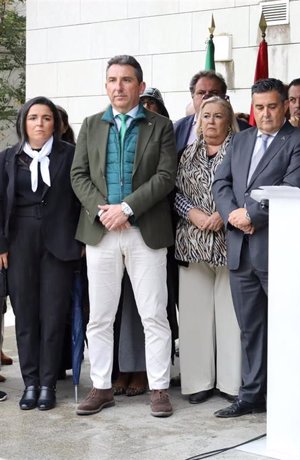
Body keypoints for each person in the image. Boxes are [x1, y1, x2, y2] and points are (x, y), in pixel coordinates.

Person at [71, 55, 177, 418]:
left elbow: (165, 177)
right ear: (106, 86)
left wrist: (126, 208)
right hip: (101, 232)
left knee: (154, 315)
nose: (119, 86)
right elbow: (79, 175)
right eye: (113, 80)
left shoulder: (161, 126)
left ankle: (159, 388)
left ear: (140, 86)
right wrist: (105, 209)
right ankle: (101, 387)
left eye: (127, 80)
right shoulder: (90, 125)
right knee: (99, 316)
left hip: (143, 231)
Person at [211, 78, 300, 418]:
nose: (266, 113)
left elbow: (294, 187)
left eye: (273, 106)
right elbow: (221, 181)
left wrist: (253, 216)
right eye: (259, 107)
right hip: (241, 250)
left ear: (286, 105)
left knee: (286, 327)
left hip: (276, 250)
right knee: (250, 328)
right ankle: (252, 394)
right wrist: (232, 215)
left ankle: (288, 396)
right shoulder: (240, 139)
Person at [0, 96, 81, 410]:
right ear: (24, 122)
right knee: (25, 317)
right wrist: (2, 246)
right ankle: (30, 383)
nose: (40, 123)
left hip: (59, 245)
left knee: (53, 316)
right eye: (33, 118)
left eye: (46, 118)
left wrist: (82, 242)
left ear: (55, 124)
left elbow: (80, 199)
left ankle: (48, 384)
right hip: (20, 244)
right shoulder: (8, 158)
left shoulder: (70, 156)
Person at [175, 96, 242, 404]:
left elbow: (247, 190)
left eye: (218, 116)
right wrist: (195, 214)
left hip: (230, 241)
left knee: (230, 316)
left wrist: (222, 213)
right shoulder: (186, 154)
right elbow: (174, 193)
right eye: (206, 116)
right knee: (195, 317)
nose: (212, 121)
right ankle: (198, 382)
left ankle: (231, 383)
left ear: (229, 121)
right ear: (198, 120)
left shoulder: (241, 151)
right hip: (192, 241)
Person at [174, 70, 249, 154]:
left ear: (224, 97)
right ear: (192, 96)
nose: (207, 97)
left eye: (214, 93)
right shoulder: (177, 128)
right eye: (201, 93)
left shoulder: (245, 130)